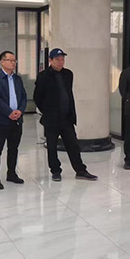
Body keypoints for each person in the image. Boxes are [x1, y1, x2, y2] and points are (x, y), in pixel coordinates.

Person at [33, 48, 98, 182]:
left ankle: (80, 170)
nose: (61, 62)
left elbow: (67, 93)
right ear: (50, 60)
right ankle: (55, 171)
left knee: (73, 145)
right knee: (52, 146)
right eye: (57, 59)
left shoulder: (68, 74)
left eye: (62, 59)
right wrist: (47, 111)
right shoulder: (43, 76)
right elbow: (37, 97)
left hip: (66, 117)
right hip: (52, 119)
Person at [0, 51, 28, 189]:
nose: (13, 63)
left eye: (14, 60)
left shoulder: (18, 79)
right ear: (2, 62)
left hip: (17, 120)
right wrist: (9, 112)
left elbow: (23, 97)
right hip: (1, 120)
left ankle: (11, 173)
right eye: (10, 60)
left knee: (13, 148)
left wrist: (20, 111)